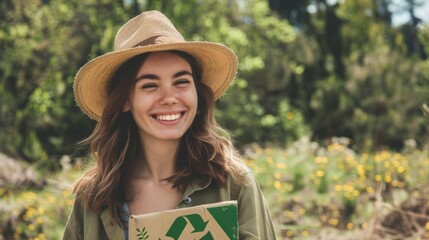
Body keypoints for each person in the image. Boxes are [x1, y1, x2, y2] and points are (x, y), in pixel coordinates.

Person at [63, 10, 276, 240]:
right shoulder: (93, 198)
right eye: (150, 85)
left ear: (197, 92)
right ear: (125, 100)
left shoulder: (234, 183)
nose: (169, 98)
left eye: (181, 81)